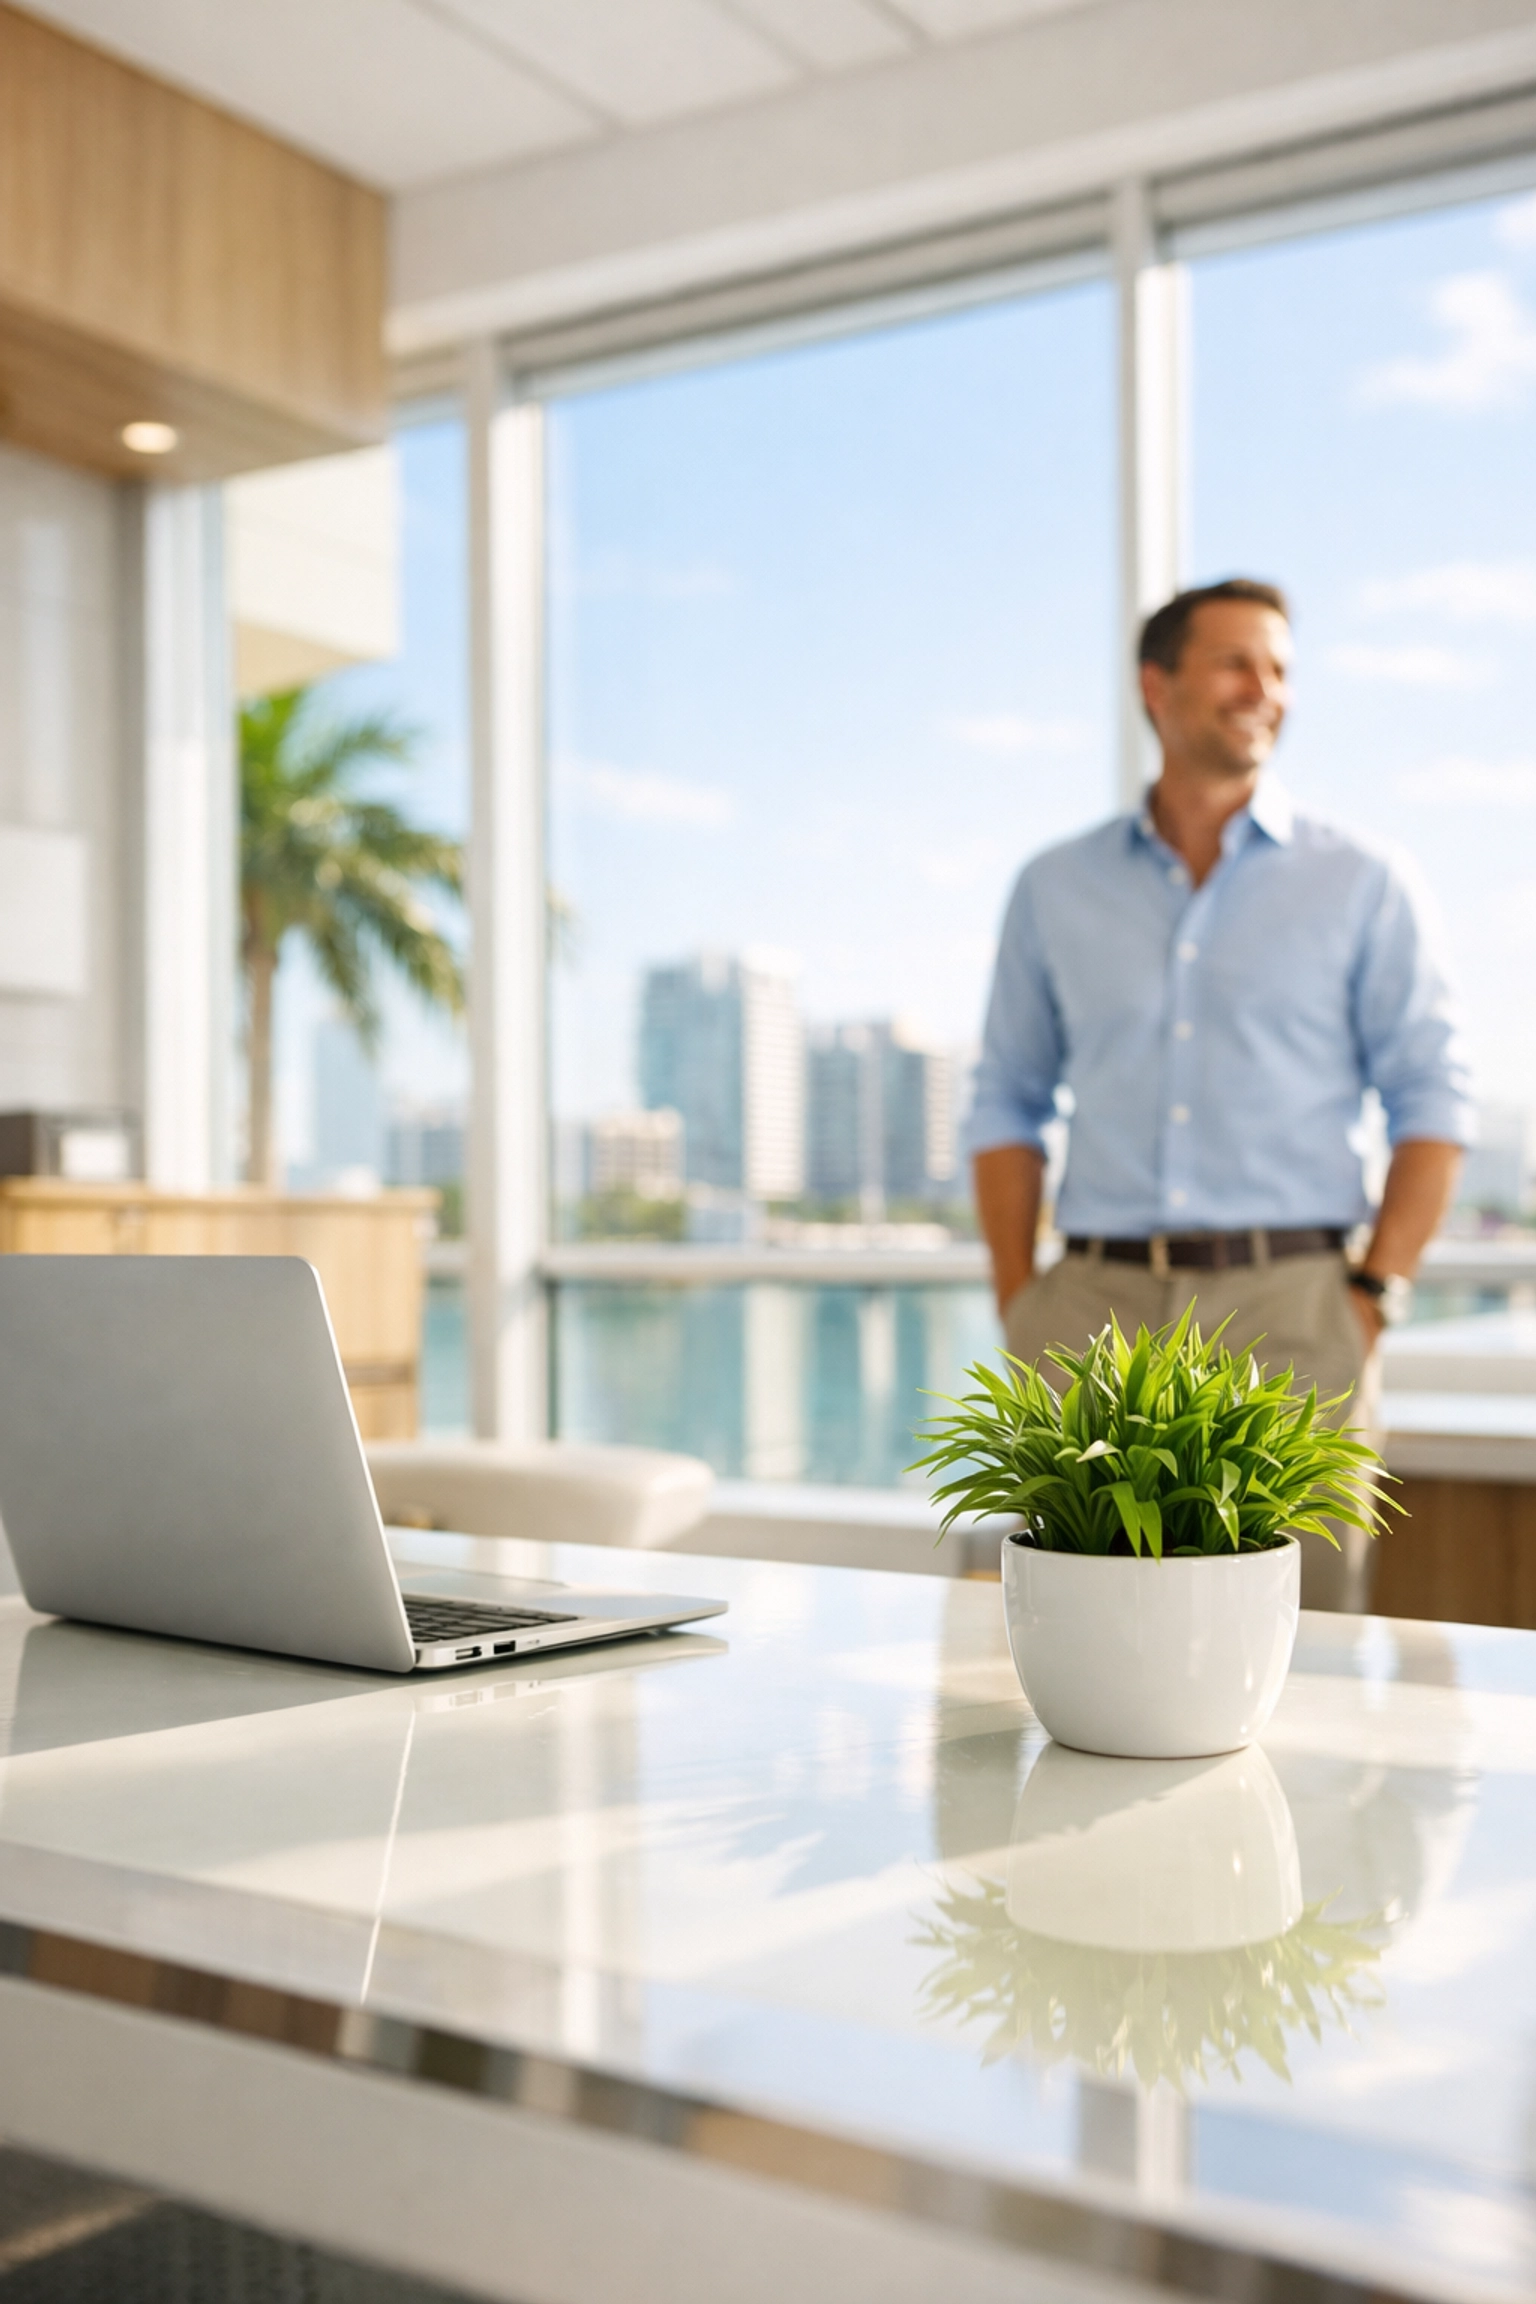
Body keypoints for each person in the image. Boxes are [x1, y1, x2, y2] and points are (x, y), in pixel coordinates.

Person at [966, 579, 1473, 1611]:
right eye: (1237, 663)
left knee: (1302, 1638)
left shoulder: (1362, 880)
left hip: (1292, 1313)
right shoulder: (1055, 887)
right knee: (1061, 1630)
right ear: (1157, 685)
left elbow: (1434, 1099)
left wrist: (1372, 1296)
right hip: (1090, 1318)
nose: (1266, 690)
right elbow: (1006, 1101)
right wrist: (1023, 1300)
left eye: (1280, 669)